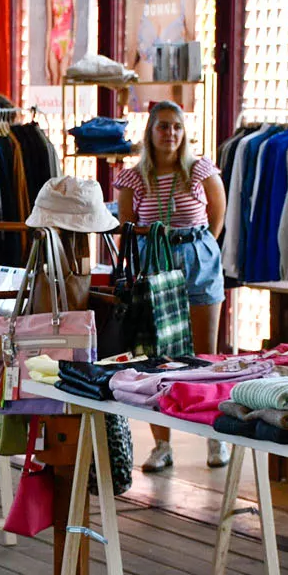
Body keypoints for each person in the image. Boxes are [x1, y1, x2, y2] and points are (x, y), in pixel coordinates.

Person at [113, 101, 229, 470]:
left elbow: (217, 213)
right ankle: (162, 444)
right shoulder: (134, 177)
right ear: (150, 131)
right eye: (163, 126)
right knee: (156, 354)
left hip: (197, 257)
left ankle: (214, 437)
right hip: (153, 263)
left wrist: (197, 246)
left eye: (177, 126)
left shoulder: (199, 170)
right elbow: (128, 229)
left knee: (205, 354)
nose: (171, 134)